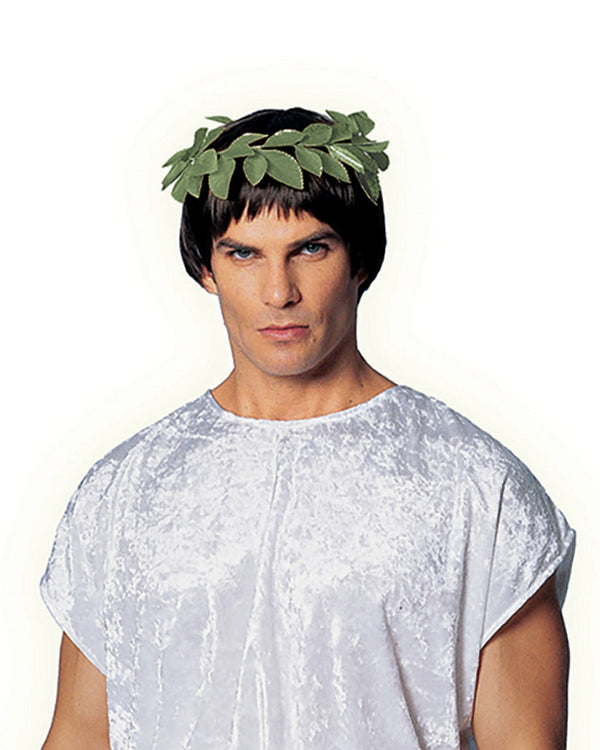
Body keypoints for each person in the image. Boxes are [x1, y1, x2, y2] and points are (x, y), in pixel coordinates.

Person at [39, 107, 575, 750]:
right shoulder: (123, 490)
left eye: (310, 249)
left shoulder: (478, 489)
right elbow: (79, 732)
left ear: (359, 262)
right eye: (244, 253)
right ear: (206, 268)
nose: (278, 291)